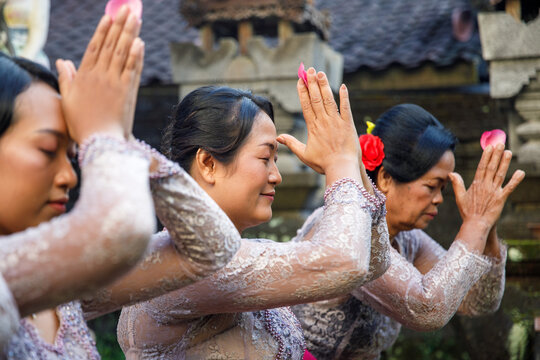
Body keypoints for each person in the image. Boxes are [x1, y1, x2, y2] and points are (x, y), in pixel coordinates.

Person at [1, 7, 240, 358]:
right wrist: (104, 135)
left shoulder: (60, 281)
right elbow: (120, 232)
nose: (70, 176)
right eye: (47, 149)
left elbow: (213, 248)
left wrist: (123, 142)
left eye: (72, 154)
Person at [117, 68, 391, 359]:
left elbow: (374, 262)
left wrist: (352, 161)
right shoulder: (182, 262)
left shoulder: (250, 253)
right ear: (208, 163)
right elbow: (346, 262)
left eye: (275, 159)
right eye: (265, 158)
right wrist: (340, 162)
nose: (276, 176)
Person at [291, 104, 526, 360]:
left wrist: (487, 224)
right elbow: (427, 308)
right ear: (385, 179)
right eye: (431, 186)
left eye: (443, 189)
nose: (439, 199)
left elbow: (477, 301)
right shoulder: (349, 228)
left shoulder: (406, 238)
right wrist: (475, 224)